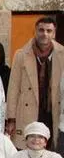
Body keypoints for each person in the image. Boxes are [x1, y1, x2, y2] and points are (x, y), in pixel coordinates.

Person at [6, 17, 63, 148]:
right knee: (27, 149)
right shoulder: (21, 55)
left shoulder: (62, 54)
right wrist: (11, 119)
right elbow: (13, 87)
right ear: (35, 31)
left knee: (51, 150)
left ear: (54, 33)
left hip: (53, 111)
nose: (45, 34)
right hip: (28, 110)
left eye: (49, 31)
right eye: (41, 30)